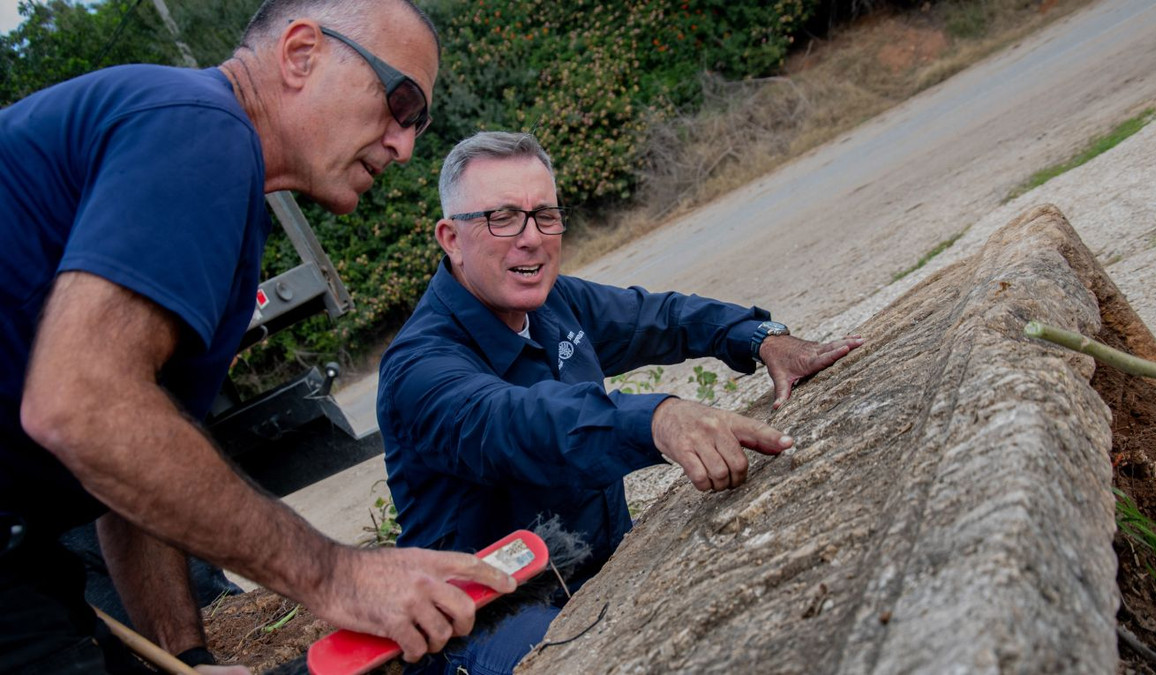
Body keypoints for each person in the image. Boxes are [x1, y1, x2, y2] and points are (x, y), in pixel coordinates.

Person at [0, 2, 516, 673]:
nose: (405, 144)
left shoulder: (217, 188)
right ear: (302, 53)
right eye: (400, 101)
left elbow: (128, 467)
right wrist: (339, 576)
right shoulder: (200, 126)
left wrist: (190, 655)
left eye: (417, 123)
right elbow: (82, 404)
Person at [376, 131, 863, 673]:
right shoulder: (419, 370)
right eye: (503, 218)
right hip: (486, 617)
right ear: (450, 237)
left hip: (600, 567)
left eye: (545, 215)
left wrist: (761, 337)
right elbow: (521, 426)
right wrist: (658, 418)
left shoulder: (555, 302)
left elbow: (659, 318)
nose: (531, 238)